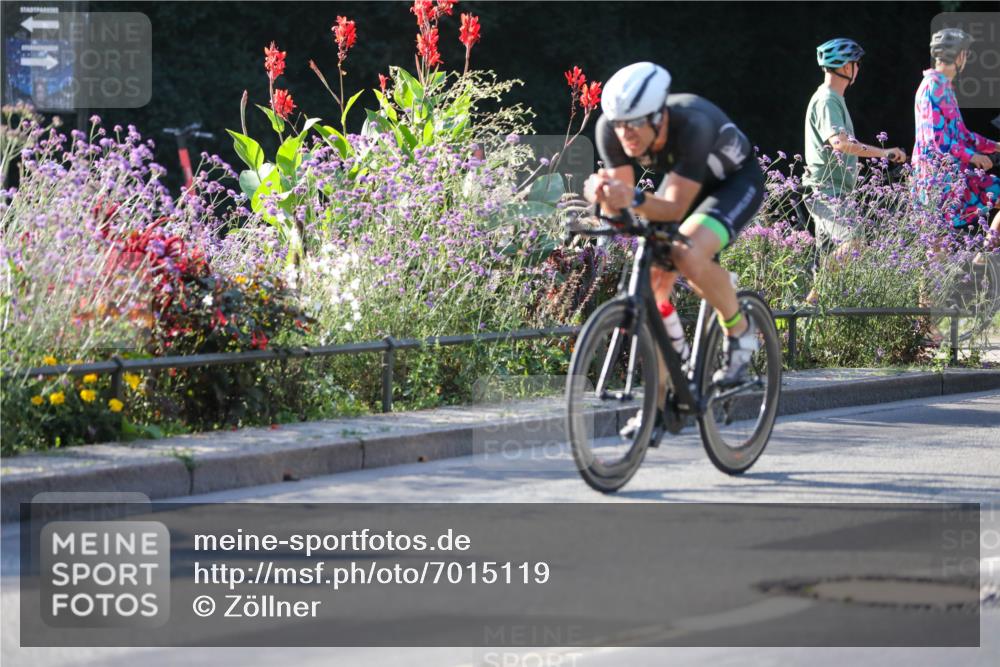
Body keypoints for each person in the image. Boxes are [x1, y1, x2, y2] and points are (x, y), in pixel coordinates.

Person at [583, 61, 766, 439]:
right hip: (683, 183)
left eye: (635, 124)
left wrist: (631, 198)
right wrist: (603, 198)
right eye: (619, 124)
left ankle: (740, 330)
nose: (625, 134)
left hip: (732, 183)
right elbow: (622, 207)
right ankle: (660, 403)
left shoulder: (693, 124)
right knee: (653, 285)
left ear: (659, 116)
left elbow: (672, 208)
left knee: (686, 254)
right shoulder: (610, 130)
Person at [802, 38, 907, 304]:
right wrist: (884, 152)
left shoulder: (835, 99)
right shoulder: (827, 99)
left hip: (837, 190)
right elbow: (840, 143)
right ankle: (811, 303)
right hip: (827, 190)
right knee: (854, 243)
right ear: (846, 67)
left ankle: (811, 317)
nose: (858, 69)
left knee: (830, 259)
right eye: (857, 64)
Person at [913, 28, 1000, 248]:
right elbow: (937, 139)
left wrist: (995, 146)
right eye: (966, 53)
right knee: (938, 246)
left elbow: (963, 135)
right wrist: (974, 157)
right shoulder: (932, 86)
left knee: (939, 244)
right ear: (959, 55)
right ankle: (982, 255)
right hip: (937, 180)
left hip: (955, 175)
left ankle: (984, 254)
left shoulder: (944, 87)